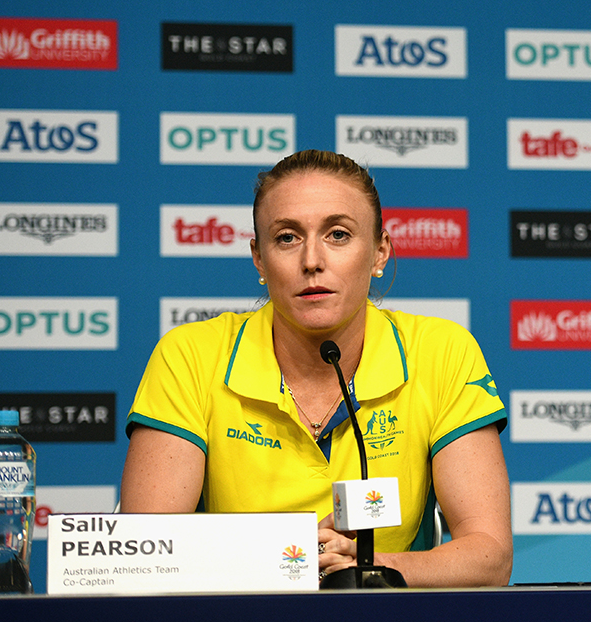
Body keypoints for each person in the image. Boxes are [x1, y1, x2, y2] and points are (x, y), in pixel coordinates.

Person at [121, 149, 512, 586]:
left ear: (379, 253)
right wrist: (289, 559)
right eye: (287, 237)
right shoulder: (189, 356)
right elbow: (145, 556)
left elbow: (490, 556)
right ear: (259, 258)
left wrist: (369, 568)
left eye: (338, 234)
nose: (312, 260)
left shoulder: (442, 351)